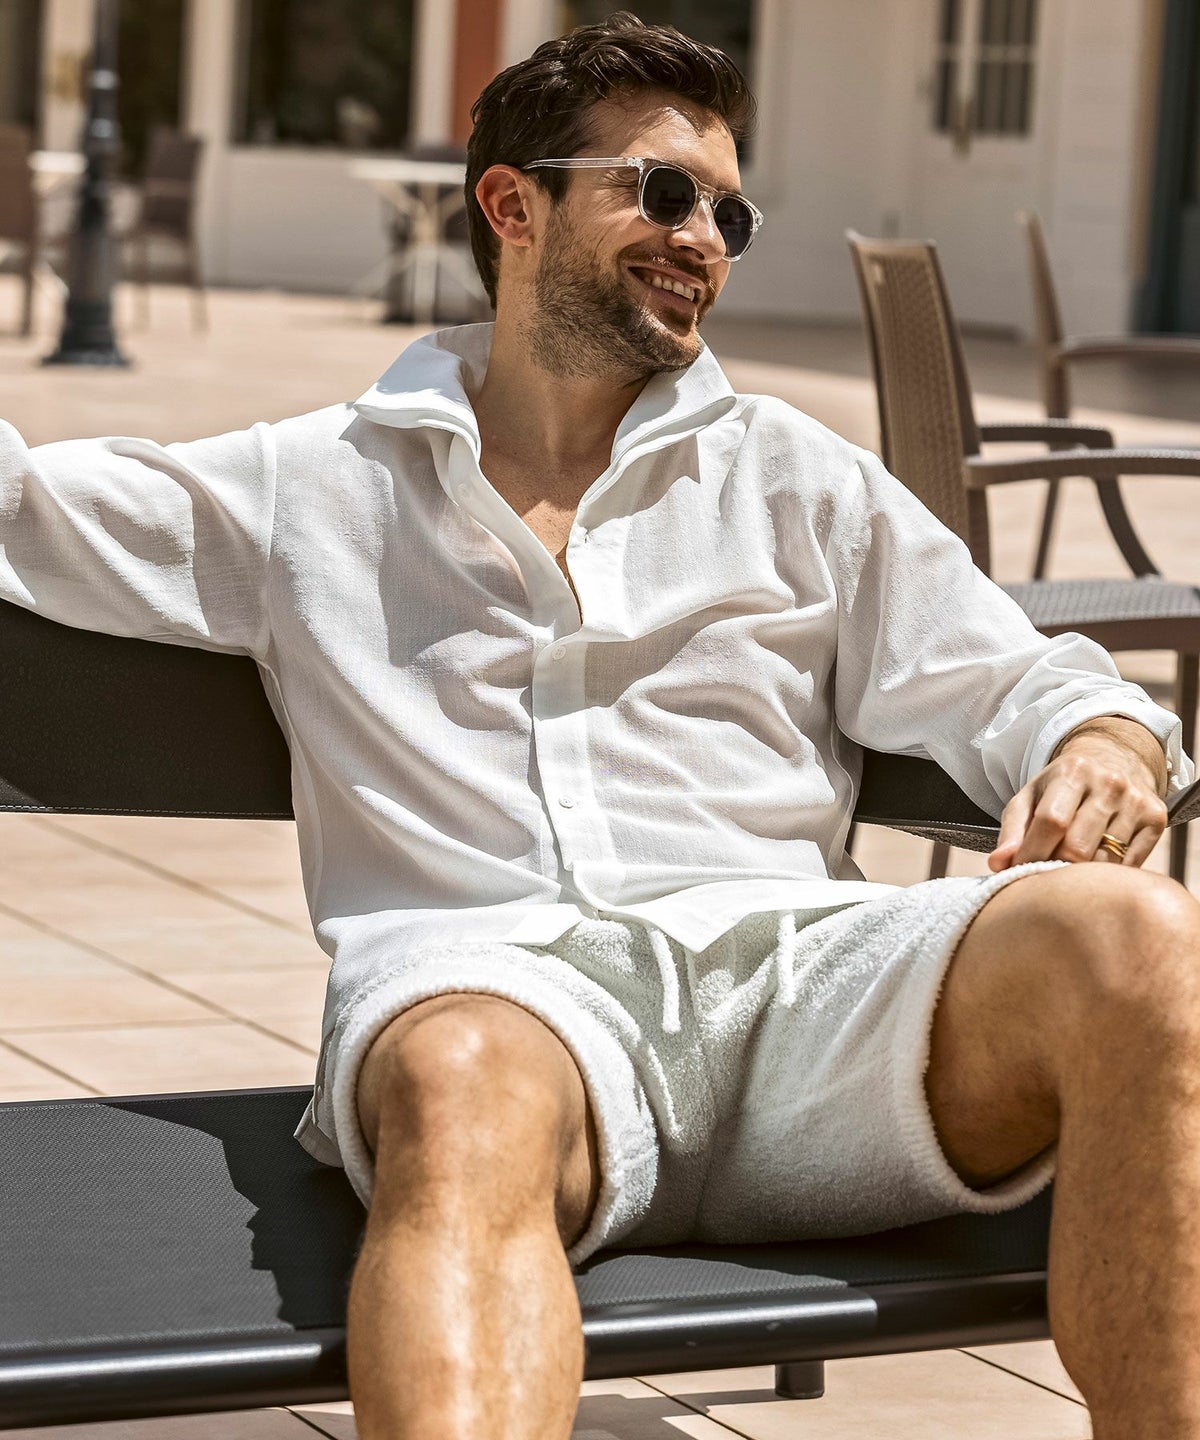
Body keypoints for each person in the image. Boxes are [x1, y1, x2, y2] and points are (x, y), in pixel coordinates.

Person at [1, 13, 1197, 1438]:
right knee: (457, 1076)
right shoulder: (308, 487)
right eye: (663, 192)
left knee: (1139, 938)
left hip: (809, 1008)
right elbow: (23, 507)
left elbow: (1026, 681)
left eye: (729, 215)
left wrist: (1106, 743)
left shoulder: (795, 477)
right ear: (513, 206)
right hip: (503, 1008)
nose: (703, 240)